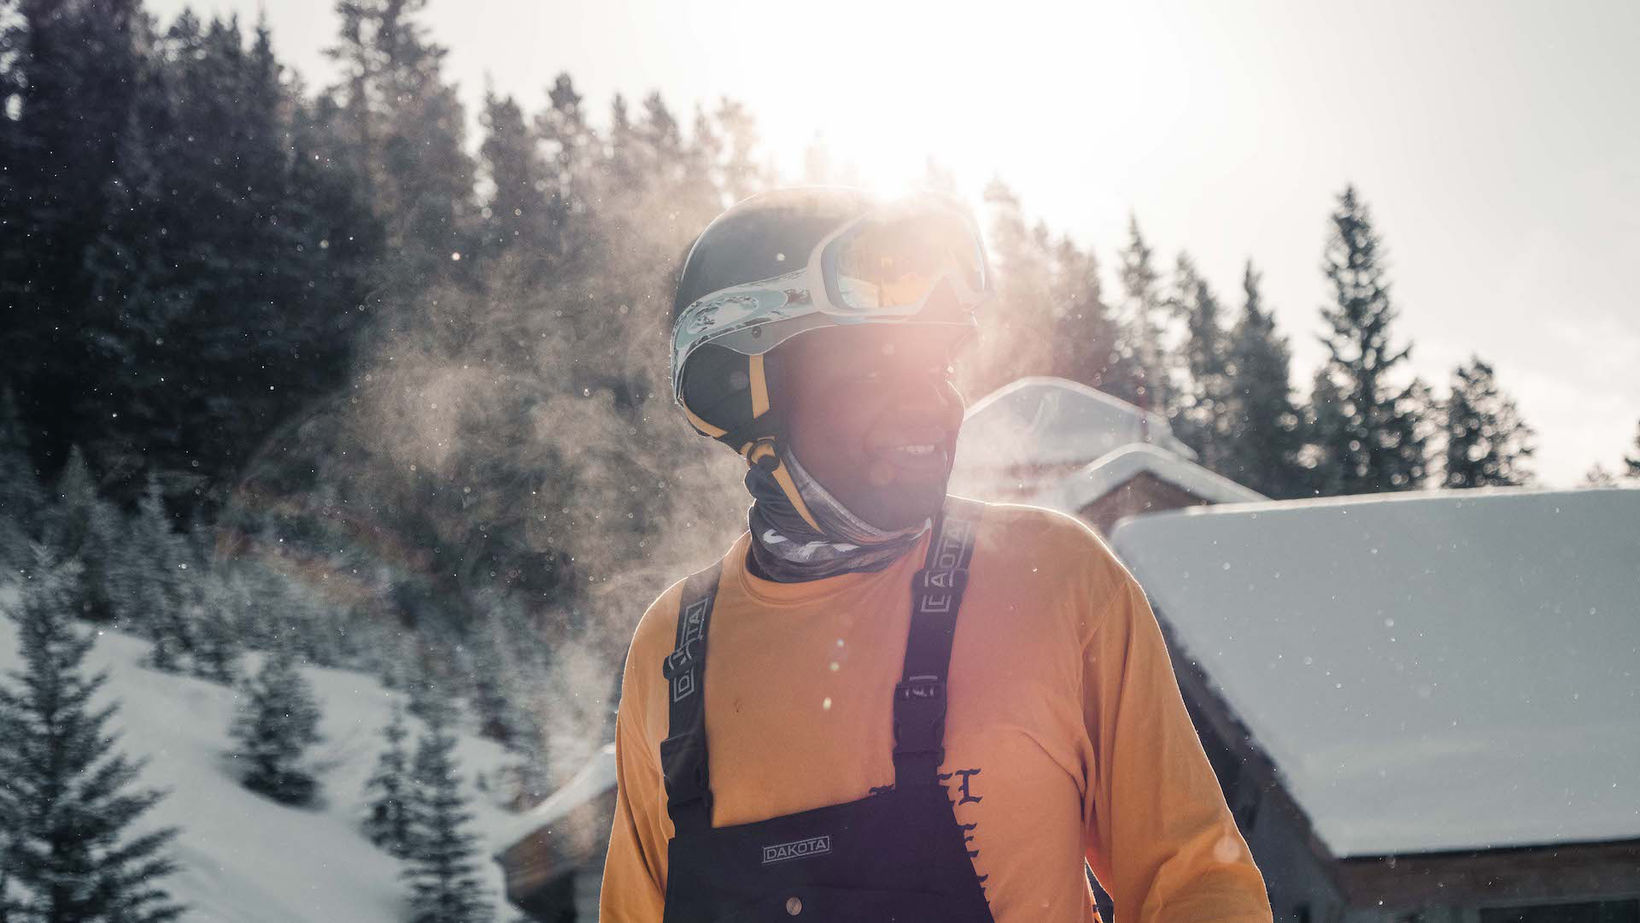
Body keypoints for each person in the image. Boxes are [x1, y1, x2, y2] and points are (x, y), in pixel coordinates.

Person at [600, 186, 1272, 922]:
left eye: (937, 368)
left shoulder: (1053, 578)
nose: (931, 404)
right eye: (879, 370)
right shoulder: (673, 651)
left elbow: (1195, 882)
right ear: (751, 388)